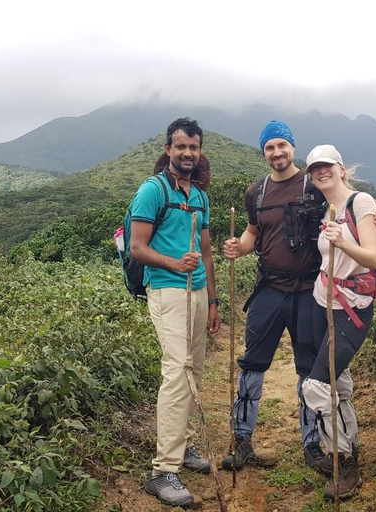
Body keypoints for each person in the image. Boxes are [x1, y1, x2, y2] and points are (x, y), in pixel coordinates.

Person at [221, 121, 376, 474]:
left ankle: (312, 443)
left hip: (307, 293)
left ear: (292, 147)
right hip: (268, 289)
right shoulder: (255, 192)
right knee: (252, 364)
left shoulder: (313, 185)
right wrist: (239, 246)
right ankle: (241, 439)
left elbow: (348, 199)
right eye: (269, 147)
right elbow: (254, 232)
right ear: (263, 151)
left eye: (282, 145)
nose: (277, 152)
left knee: (307, 368)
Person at [130, 117, 221, 507]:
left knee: (194, 371)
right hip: (168, 291)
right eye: (180, 146)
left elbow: (206, 250)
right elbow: (137, 247)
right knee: (177, 372)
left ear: (200, 151)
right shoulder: (153, 190)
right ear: (168, 149)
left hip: (197, 292)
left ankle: (182, 448)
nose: (187, 153)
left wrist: (213, 300)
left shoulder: (199, 195)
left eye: (193, 147)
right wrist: (172, 263)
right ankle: (163, 471)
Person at [301, 144, 376, 500]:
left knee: (316, 387)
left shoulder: (360, 203)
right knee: (339, 383)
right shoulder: (325, 208)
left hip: (352, 308)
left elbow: (373, 258)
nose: (321, 172)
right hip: (323, 303)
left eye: (326, 166)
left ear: (341, 168)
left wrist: (342, 243)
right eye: (315, 168)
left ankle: (344, 460)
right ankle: (350, 446)